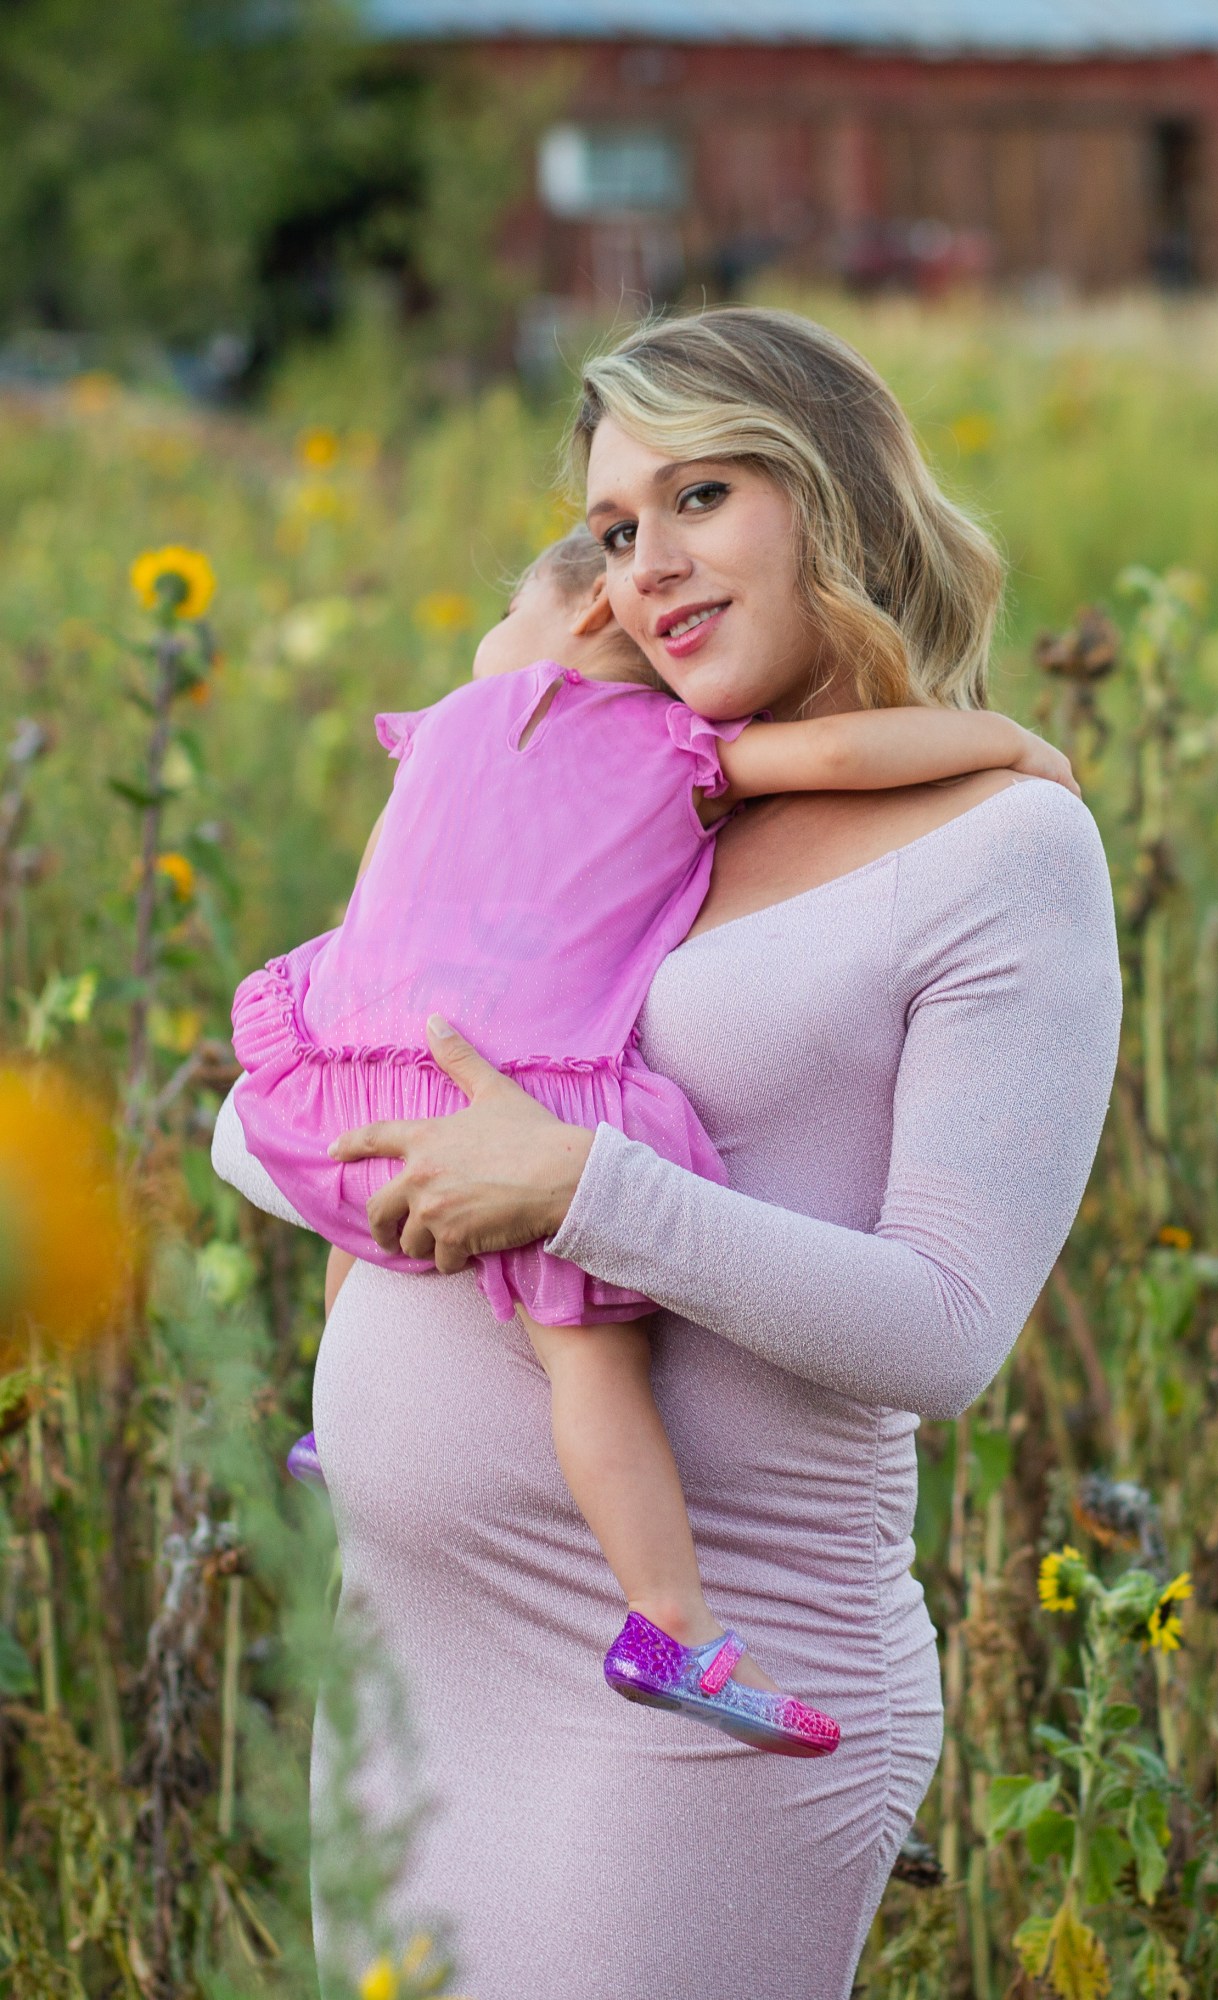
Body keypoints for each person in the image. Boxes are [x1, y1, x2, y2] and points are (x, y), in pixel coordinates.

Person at [210, 305, 1123, 1997]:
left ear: (835, 496)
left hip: (693, 1708)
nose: (650, 569)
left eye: (701, 497)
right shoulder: (610, 788)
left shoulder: (1002, 847)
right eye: (617, 529)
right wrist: (405, 1141)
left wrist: (583, 1190)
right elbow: (263, 1124)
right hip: (409, 1661)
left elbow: (945, 1332)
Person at [230, 524, 1076, 1759]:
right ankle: (669, 1617)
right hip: (515, 1098)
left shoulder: (444, 732)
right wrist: (1004, 742)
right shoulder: (677, 748)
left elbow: (372, 920)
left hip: (335, 1070)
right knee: (592, 1360)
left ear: (578, 616)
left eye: (505, 611)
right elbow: (842, 752)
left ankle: (333, 1424)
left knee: (370, 1200)